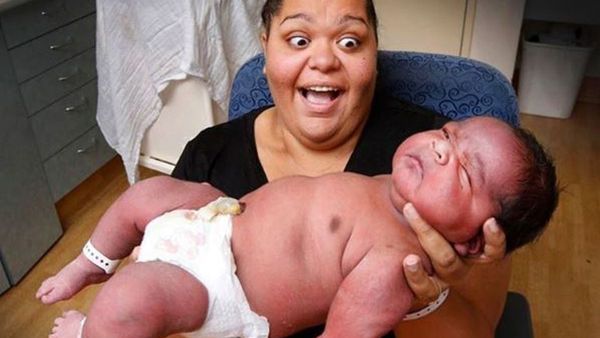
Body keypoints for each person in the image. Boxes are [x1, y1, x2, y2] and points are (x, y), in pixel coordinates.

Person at [37, 117, 558, 338]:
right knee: (145, 193)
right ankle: (90, 263)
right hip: (217, 219)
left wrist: (451, 283)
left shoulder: (398, 264)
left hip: (220, 288)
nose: (441, 146)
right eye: (448, 132)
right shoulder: (392, 184)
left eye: (465, 171)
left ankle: (92, 330)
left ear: (472, 240)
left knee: (130, 300)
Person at [171, 0, 510, 337]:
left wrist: (425, 299)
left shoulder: (447, 166)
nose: (323, 61)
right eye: (298, 40)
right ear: (266, 51)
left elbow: (477, 331)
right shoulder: (207, 156)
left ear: (374, 55)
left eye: (349, 42)